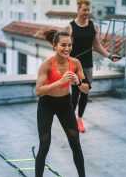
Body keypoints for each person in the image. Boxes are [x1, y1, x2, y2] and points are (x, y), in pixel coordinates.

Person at [35, 29, 90, 177]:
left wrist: (78, 82)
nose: (67, 48)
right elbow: (38, 91)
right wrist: (60, 82)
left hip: (65, 104)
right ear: (55, 46)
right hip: (46, 104)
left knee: (75, 144)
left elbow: (86, 90)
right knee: (44, 145)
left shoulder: (75, 63)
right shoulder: (46, 64)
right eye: (63, 45)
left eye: (70, 45)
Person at [65, 0, 120, 133]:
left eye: (89, 10)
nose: (87, 12)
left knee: (85, 93)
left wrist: (109, 55)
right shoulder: (70, 27)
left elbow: (97, 46)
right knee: (75, 94)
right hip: (74, 65)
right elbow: (67, 48)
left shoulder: (94, 26)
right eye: (84, 10)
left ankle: (79, 120)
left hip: (88, 65)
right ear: (78, 10)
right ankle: (71, 121)